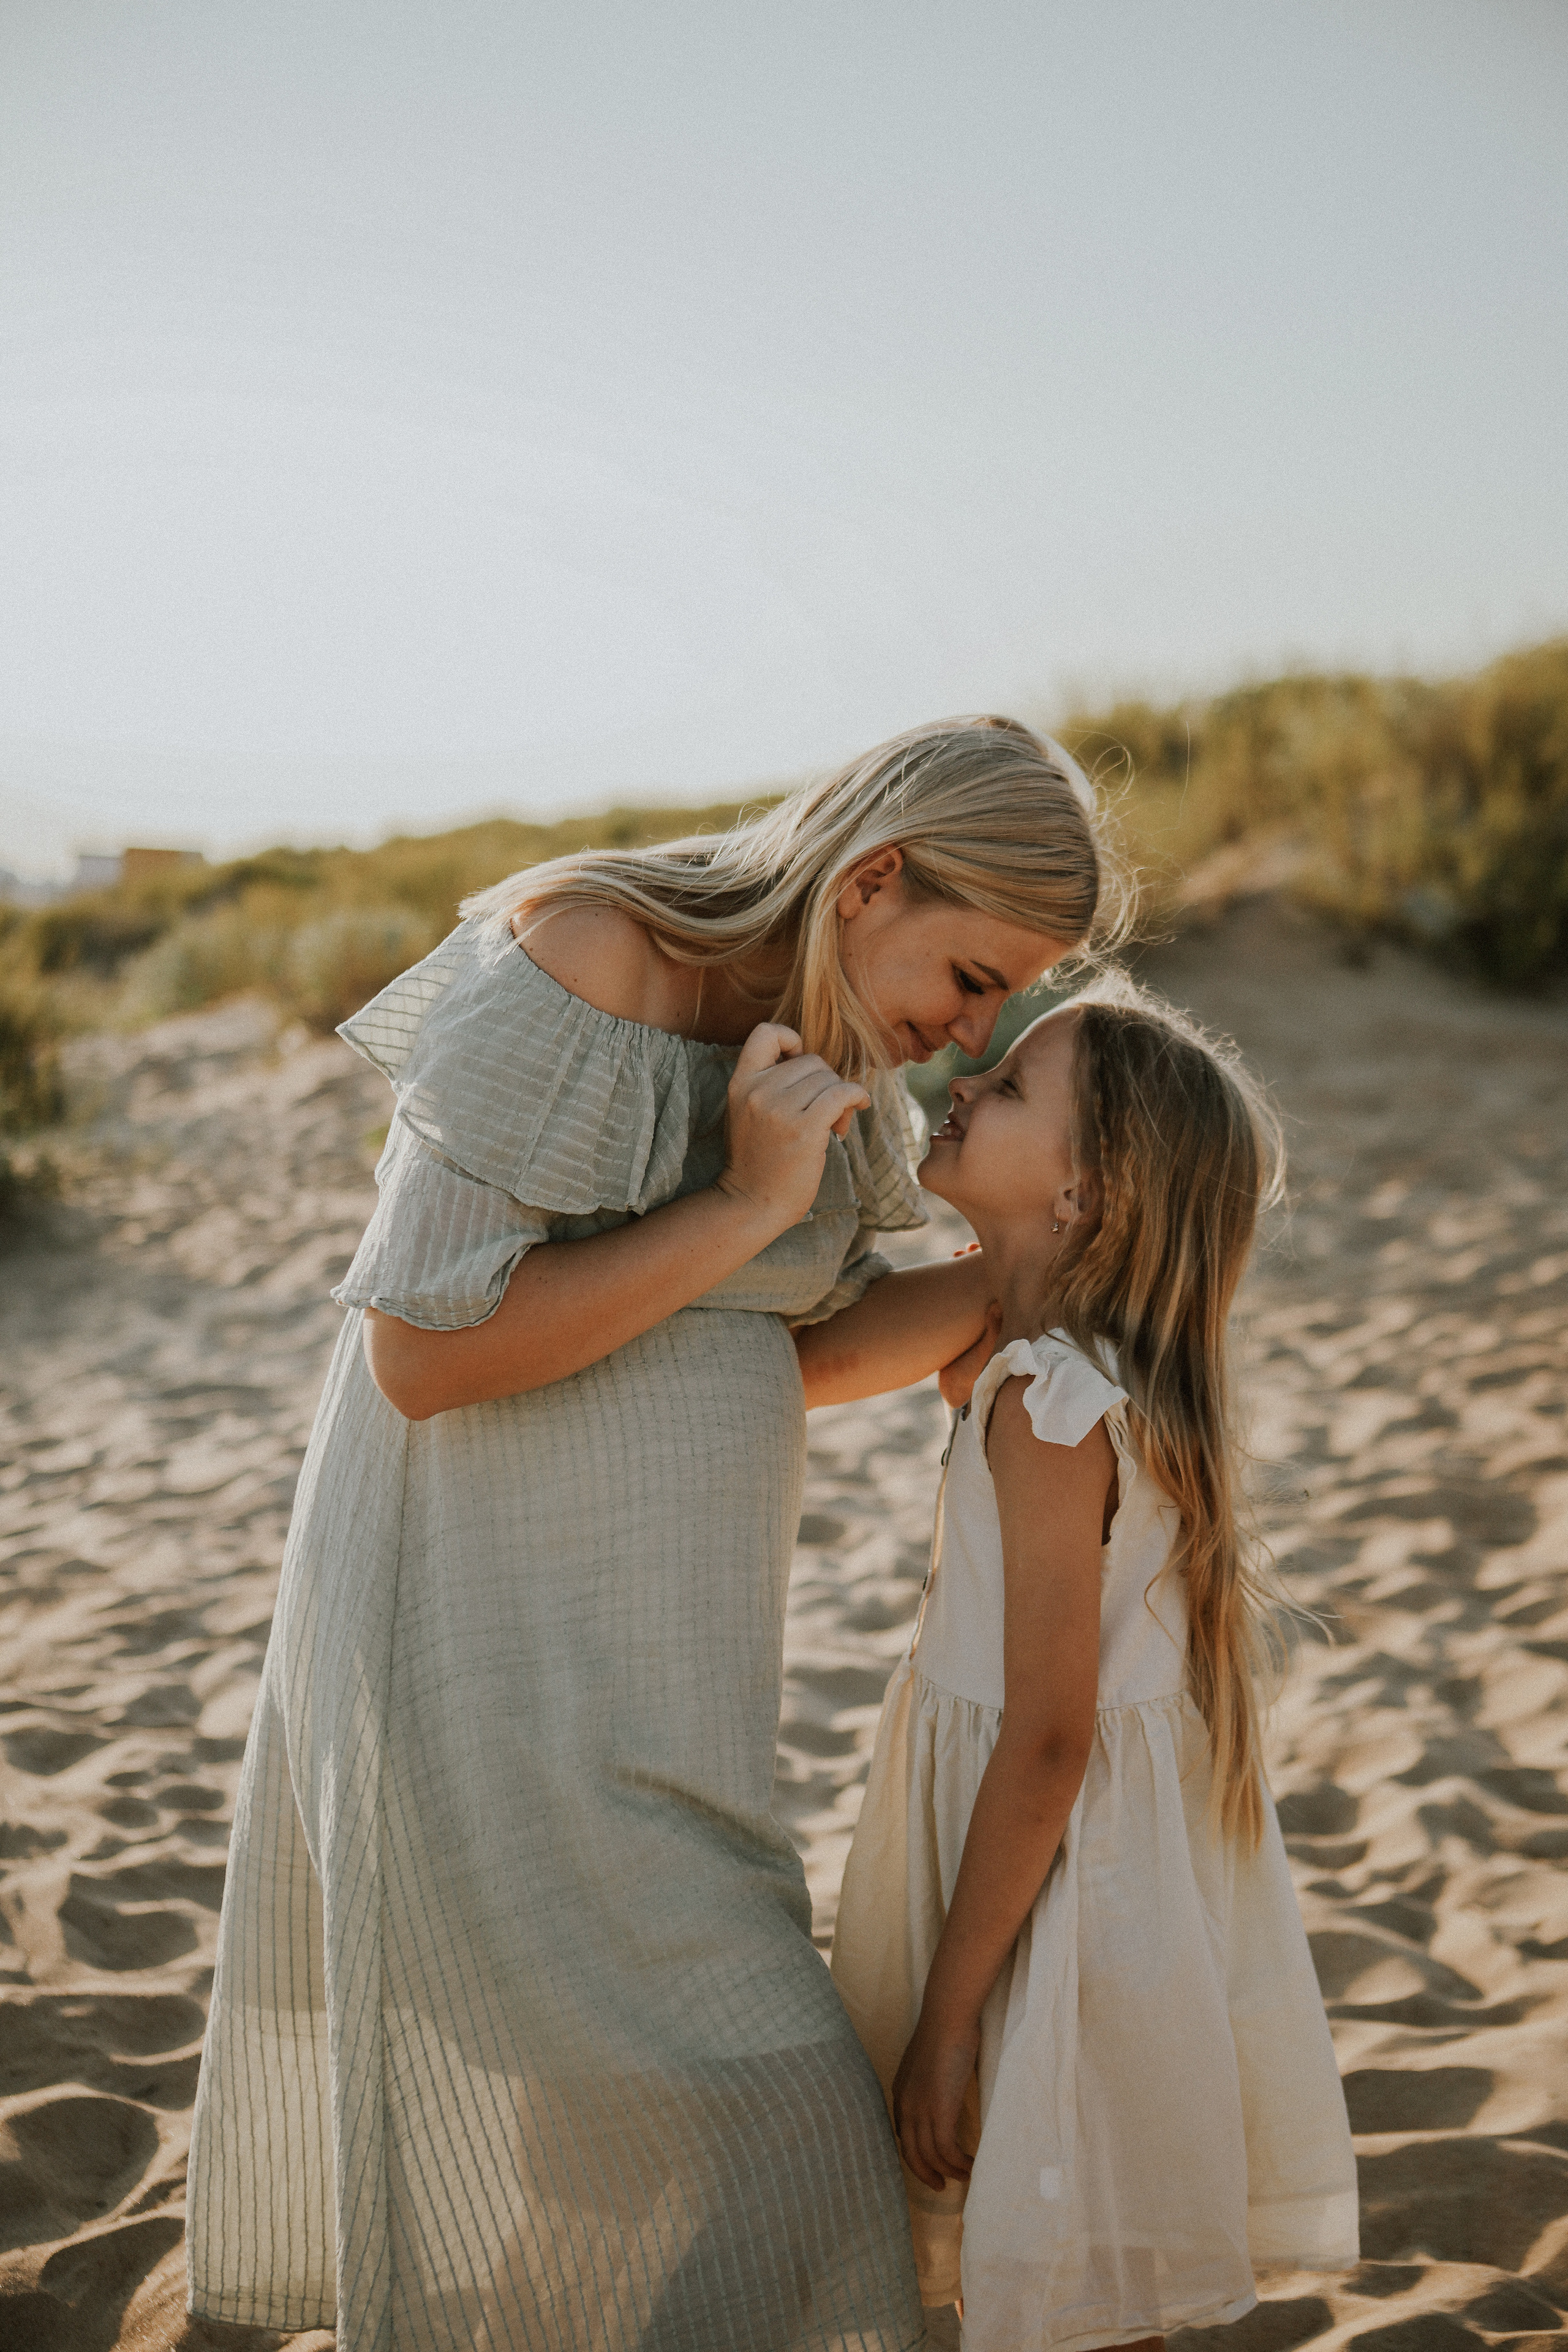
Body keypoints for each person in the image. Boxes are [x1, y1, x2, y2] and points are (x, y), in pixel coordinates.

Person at [187, 717, 1121, 2352]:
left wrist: (1040, 1281)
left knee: (643, 2143)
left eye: (1007, 1004)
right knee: (793, 2121)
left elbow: (792, 1350)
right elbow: (424, 1353)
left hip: (677, 1693)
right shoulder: (584, 953)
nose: (976, 1033)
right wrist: (746, 1204)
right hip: (482, 1652)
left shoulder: (837, 1056)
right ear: (874, 877)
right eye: (975, 976)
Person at [828, 986, 1359, 2352]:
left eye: (1006, 1088)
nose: (960, 1076)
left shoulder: (1041, 1405)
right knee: (1091, 2266)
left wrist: (947, 2016)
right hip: (1094, 1878)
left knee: (1072, 2289)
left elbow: (1049, 1737)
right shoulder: (1054, 1363)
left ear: (1084, 1190)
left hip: (1045, 1893)